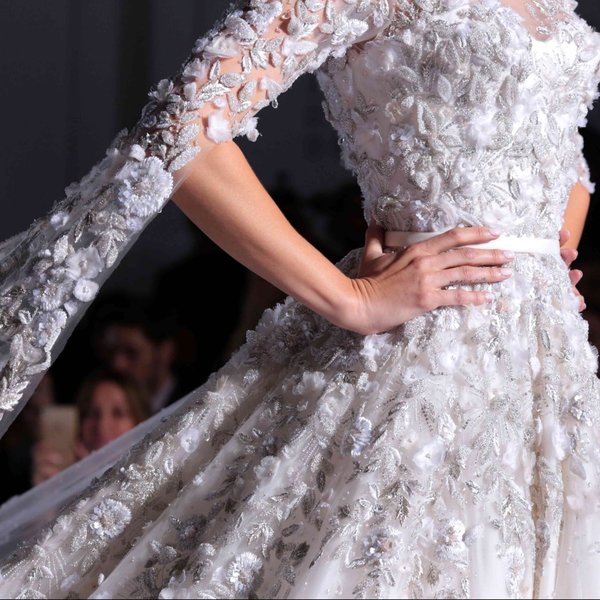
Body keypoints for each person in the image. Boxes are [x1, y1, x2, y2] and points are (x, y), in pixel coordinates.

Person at [0, 1, 598, 598]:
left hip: (549, 373)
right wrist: (350, 298)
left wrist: (544, 256)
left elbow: (564, 154)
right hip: (426, 358)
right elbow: (182, 125)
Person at [30, 371, 151, 485]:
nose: (102, 425)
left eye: (118, 413)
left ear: (139, 422)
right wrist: (48, 492)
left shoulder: (153, 484)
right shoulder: (64, 478)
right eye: (92, 413)